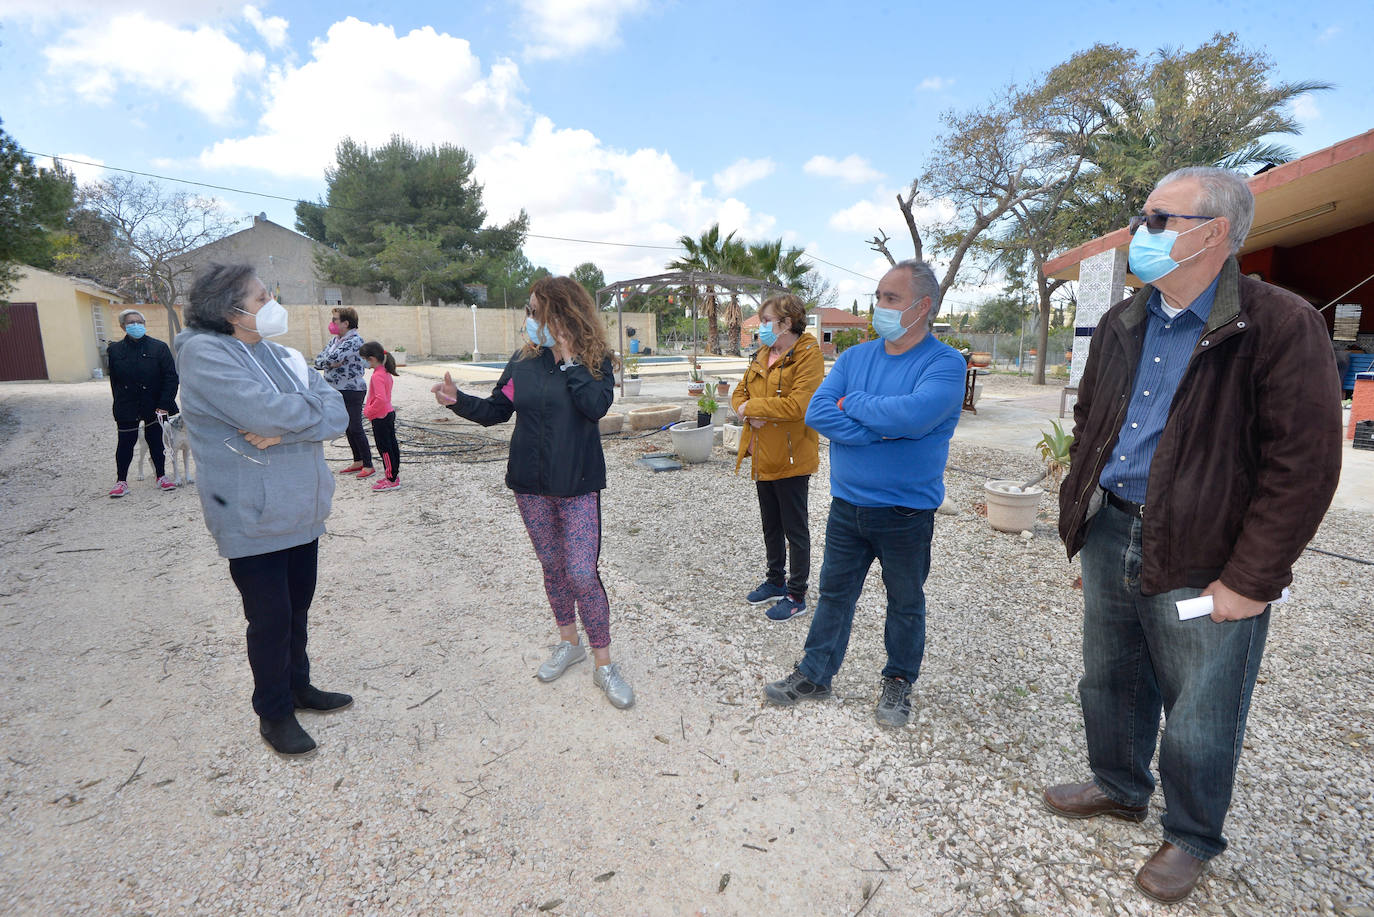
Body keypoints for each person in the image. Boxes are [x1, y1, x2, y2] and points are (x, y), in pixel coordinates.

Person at [1046, 167, 1343, 904]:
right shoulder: (1125, 321)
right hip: (1115, 528)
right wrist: (1087, 518)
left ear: (1214, 233)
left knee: (1203, 707)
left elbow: (1301, 467)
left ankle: (1191, 835)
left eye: (1158, 219)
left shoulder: (1280, 323)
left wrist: (1250, 578)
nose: (1140, 233)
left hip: (1207, 551)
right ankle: (1118, 784)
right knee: (1109, 678)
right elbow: (1092, 423)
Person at [762, 259, 966, 728]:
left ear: (923, 306)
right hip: (847, 506)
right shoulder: (855, 358)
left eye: (891, 299)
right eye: (879, 297)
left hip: (906, 512)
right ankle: (815, 673)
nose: (881, 307)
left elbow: (915, 415)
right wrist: (882, 428)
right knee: (834, 594)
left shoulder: (944, 363)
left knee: (906, 602)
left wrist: (853, 405)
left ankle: (898, 682)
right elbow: (816, 413)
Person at [431, 276, 634, 709]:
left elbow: (595, 407)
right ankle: (568, 642)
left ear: (561, 314)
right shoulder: (521, 362)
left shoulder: (597, 362)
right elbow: (496, 411)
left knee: (582, 573)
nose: (529, 318)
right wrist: (457, 400)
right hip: (530, 485)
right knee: (553, 567)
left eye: (535, 309)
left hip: (577, 485)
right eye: (528, 309)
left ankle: (604, 663)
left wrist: (569, 357)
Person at [176, 262, 353, 757]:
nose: (271, 304)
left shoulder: (285, 355)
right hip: (252, 514)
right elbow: (263, 412)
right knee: (270, 617)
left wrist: (286, 428)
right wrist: (294, 420)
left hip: (302, 507)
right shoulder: (205, 355)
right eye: (259, 298)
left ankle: (299, 687)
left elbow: (338, 412)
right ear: (230, 312)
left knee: (297, 607)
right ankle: (273, 712)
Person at [731, 293, 823, 621]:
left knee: (794, 528)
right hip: (761, 453)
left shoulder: (808, 355)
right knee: (770, 524)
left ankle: (797, 594)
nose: (762, 326)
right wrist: (744, 407)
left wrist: (753, 408)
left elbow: (799, 406)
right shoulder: (763, 352)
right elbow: (739, 392)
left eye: (768, 320)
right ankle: (774, 580)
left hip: (791, 456)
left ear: (786, 322)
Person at [107, 308, 179, 497]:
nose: (136, 325)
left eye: (139, 322)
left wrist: (164, 403)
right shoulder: (114, 350)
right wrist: (119, 404)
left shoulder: (159, 348)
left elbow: (171, 377)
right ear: (123, 326)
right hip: (127, 405)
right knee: (125, 443)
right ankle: (121, 481)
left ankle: (161, 476)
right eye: (131, 322)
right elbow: (114, 381)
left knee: (156, 442)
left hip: (155, 404)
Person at [313, 306, 374, 478]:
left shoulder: (354, 340)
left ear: (346, 323)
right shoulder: (335, 341)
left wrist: (330, 362)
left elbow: (332, 358)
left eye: (335, 320)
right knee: (347, 427)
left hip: (352, 389)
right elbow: (318, 361)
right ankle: (358, 461)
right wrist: (330, 363)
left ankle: (368, 464)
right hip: (336, 389)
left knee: (355, 427)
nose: (331, 323)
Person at [359, 341, 401, 492]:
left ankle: (391, 479)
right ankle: (393, 475)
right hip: (388, 413)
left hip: (381, 416)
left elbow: (381, 399)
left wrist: (369, 411)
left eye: (364, 359)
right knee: (391, 446)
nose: (363, 362)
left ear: (371, 358)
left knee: (385, 448)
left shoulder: (377, 376)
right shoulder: (385, 372)